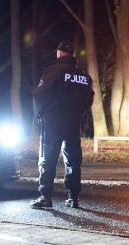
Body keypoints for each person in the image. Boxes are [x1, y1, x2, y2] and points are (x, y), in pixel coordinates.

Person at [30, 40, 94, 208]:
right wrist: (79, 114)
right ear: (72, 55)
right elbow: (89, 99)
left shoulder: (53, 71)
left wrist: (39, 115)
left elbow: (39, 95)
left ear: (59, 54)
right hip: (73, 123)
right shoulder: (84, 76)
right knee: (73, 161)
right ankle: (73, 198)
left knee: (47, 160)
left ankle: (45, 197)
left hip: (53, 123)